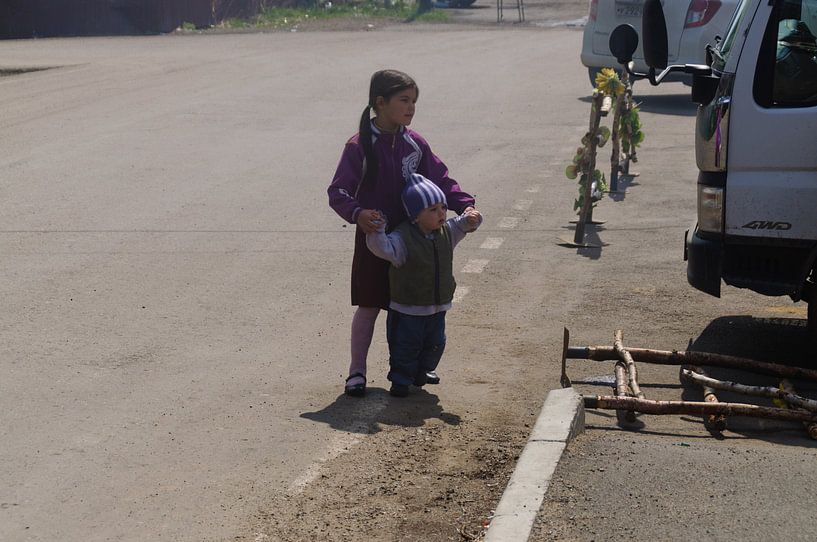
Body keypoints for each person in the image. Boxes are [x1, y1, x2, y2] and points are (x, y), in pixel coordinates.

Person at [328, 69, 477, 397]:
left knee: (417, 307)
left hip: (416, 238)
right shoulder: (359, 146)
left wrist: (464, 206)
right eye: (403, 100)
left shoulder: (415, 143)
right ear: (380, 103)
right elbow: (338, 192)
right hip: (375, 239)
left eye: (414, 101)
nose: (411, 108)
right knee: (369, 306)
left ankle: (414, 368)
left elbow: (441, 178)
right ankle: (357, 371)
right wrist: (359, 214)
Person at [366, 173, 483, 397]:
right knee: (405, 347)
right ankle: (400, 379)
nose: (441, 213)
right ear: (415, 216)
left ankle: (423, 371)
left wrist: (472, 219)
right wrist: (378, 231)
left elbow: (463, 225)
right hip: (408, 308)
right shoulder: (403, 237)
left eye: (443, 207)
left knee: (435, 343)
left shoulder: (446, 232)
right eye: (432, 210)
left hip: (438, 307)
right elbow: (382, 248)